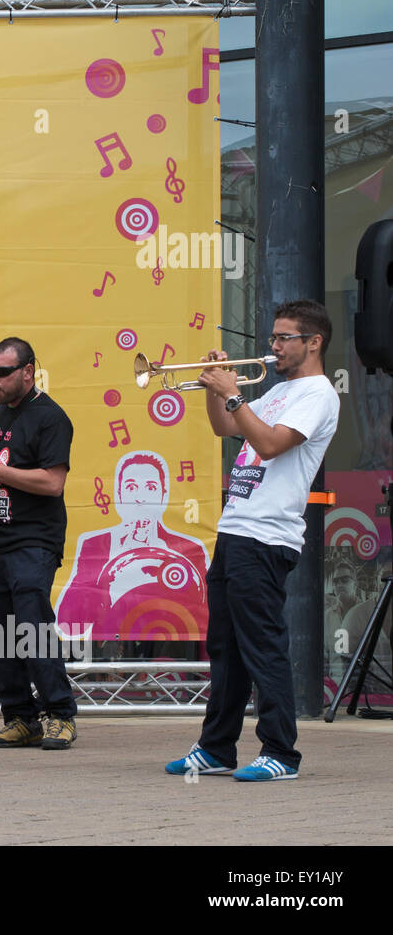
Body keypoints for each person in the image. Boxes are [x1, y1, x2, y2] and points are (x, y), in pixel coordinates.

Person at [165, 299, 339, 781]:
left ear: (313, 342)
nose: (275, 347)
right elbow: (227, 426)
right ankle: (216, 748)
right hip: (237, 528)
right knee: (226, 647)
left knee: (262, 646)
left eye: (285, 338)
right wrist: (212, 385)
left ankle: (281, 753)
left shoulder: (318, 394)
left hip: (267, 535)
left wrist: (234, 393)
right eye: (273, 338)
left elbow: (269, 444)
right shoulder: (282, 391)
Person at [0, 337, 77, 750]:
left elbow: (52, 482)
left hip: (34, 540)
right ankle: (20, 716)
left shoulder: (50, 417)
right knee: (0, 630)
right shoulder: (0, 413)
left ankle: (60, 714)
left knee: (32, 626)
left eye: (3, 372)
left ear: (28, 371)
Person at [57, 450, 210, 640]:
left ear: (164, 495)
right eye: (131, 487)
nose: (140, 497)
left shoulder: (188, 546)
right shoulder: (95, 543)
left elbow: (204, 617)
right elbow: (69, 624)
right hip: (106, 646)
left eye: (150, 488)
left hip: (170, 642)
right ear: (119, 494)